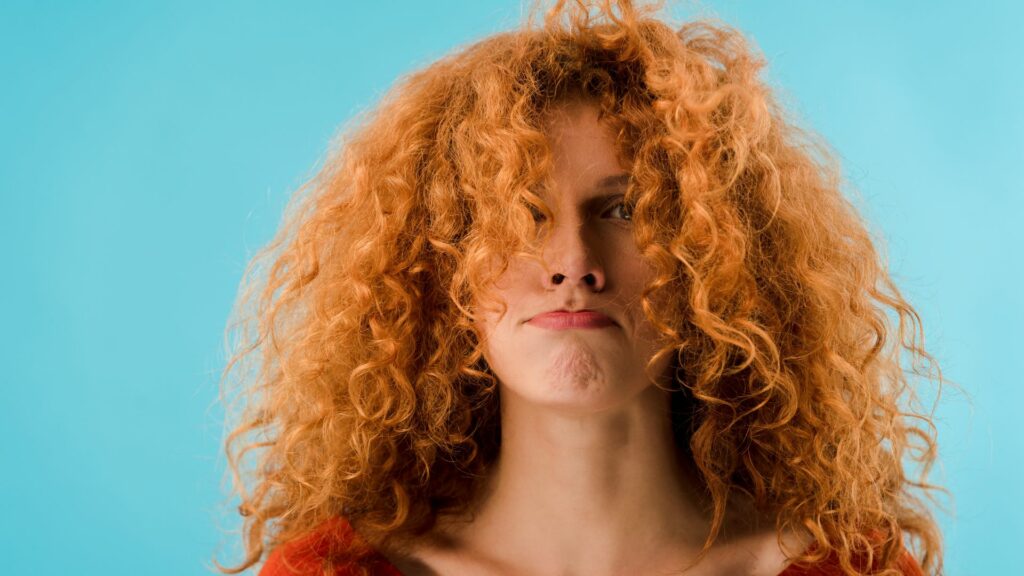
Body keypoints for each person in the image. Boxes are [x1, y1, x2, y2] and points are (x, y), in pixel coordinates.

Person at [215, 1, 944, 574]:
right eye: (520, 215)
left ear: (715, 254)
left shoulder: (844, 569)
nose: (572, 264)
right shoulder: (337, 571)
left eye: (625, 211)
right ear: (436, 265)